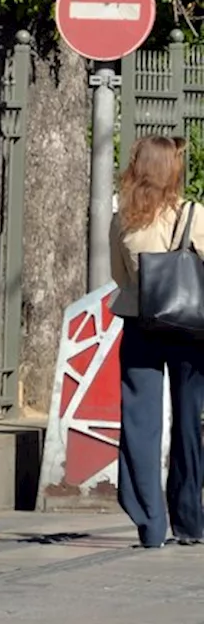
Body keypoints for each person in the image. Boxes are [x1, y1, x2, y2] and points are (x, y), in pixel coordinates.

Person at [108, 134, 204, 548]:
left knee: (140, 423)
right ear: (172, 170)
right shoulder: (194, 214)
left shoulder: (123, 218)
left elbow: (120, 278)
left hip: (140, 324)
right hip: (191, 330)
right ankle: (189, 521)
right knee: (188, 422)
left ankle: (149, 521)